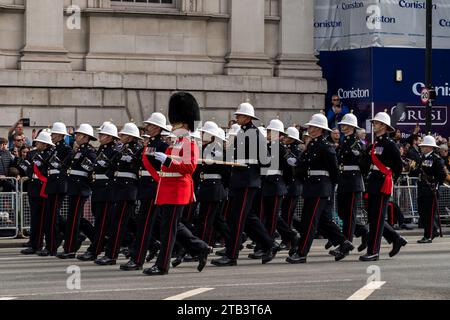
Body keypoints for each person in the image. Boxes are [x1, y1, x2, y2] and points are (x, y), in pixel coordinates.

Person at [141, 92, 211, 276]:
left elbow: (189, 167)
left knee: (168, 230)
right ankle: (201, 248)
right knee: (173, 227)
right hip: (168, 189)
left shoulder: (188, 142)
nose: (172, 126)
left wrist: (167, 161)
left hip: (177, 190)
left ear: (185, 124)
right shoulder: (177, 142)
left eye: (175, 123)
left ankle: (162, 265)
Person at [211, 102, 277, 267]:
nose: (237, 117)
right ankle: (270, 244)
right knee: (246, 217)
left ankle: (231, 255)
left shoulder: (254, 134)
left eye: (239, 115)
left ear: (247, 117)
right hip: (239, 180)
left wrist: (250, 165)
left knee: (237, 219)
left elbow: (267, 160)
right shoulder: (242, 132)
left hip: (247, 180)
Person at [286, 114, 354, 264]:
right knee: (323, 221)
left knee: (309, 221)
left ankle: (302, 252)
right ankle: (344, 243)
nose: (309, 129)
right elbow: (303, 165)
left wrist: (330, 188)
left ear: (318, 129)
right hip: (312, 187)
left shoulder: (326, 146)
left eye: (311, 126)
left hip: (321, 187)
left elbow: (334, 171)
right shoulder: (312, 145)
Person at [119, 113, 170, 271]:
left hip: (153, 188)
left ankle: (137, 259)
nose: (146, 127)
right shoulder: (147, 145)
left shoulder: (162, 146)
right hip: (145, 187)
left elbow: (164, 167)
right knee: (147, 224)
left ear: (156, 127)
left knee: (145, 225)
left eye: (149, 125)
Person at [359, 112, 407, 262]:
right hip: (373, 183)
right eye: (374, 123)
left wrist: (390, 179)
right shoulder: (375, 144)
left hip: (382, 184)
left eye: (377, 123)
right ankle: (396, 238)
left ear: (384, 126)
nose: (374, 125)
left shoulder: (390, 144)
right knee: (374, 218)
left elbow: (398, 166)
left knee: (377, 219)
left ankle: (373, 251)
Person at [95, 123, 143, 265]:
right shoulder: (121, 149)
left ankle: (111, 255)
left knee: (118, 225)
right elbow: (112, 165)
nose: (120, 137)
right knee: (117, 223)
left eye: (122, 135)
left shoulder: (137, 150)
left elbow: (137, 170)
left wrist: (133, 160)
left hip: (128, 191)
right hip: (118, 189)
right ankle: (151, 244)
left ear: (130, 137)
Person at [77, 122, 120, 261]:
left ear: (109, 137)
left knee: (102, 223)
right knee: (100, 221)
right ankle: (101, 247)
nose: (99, 136)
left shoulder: (114, 150)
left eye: (102, 134)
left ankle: (95, 250)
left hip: (107, 190)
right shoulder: (102, 148)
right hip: (99, 189)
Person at [57, 124, 97, 259]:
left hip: (80, 189)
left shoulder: (89, 152)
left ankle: (70, 249)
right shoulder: (78, 151)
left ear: (86, 137)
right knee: (75, 219)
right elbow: (64, 166)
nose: (76, 136)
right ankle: (98, 239)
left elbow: (92, 170)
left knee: (73, 220)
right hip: (74, 188)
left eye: (79, 135)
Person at [333, 113, 369, 256]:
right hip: (343, 179)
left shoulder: (357, 143)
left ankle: (345, 244)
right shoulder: (344, 141)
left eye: (346, 125)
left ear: (352, 127)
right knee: (342, 213)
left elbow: (364, 164)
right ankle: (362, 230)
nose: (343, 127)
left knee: (349, 215)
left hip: (353, 181)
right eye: (342, 125)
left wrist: (359, 157)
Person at [37, 122, 73, 256]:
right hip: (52, 184)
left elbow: (64, 167)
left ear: (59, 135)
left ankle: (51, 246)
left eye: (53, 134)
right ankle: (54, 242)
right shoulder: (54, 148)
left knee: (51, 217)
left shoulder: (66, 149)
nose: (51, 136)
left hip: (58, 184)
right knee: (50, 216)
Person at [20, 131, 54, 255]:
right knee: (35, 218)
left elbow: (47, 172)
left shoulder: (49, 155)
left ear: (45, 144)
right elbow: (27, 169)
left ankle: (38, 244)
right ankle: (34, 243)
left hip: (42, 189)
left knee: (41, 218)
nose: (37, 143)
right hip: (33, 188)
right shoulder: (33, 154)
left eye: (39, 141)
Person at [416, 136, 447, 243]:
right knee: (422, 213)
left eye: (423, 146)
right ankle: (434, 230)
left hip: (431, 190)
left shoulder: (436, 159)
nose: (421, 147)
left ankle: (428, 236)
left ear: (429, 147)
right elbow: (418, 171)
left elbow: (442, 174)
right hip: (422, 189)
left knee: (429, 214)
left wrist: (436, 183)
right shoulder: (422, 158)